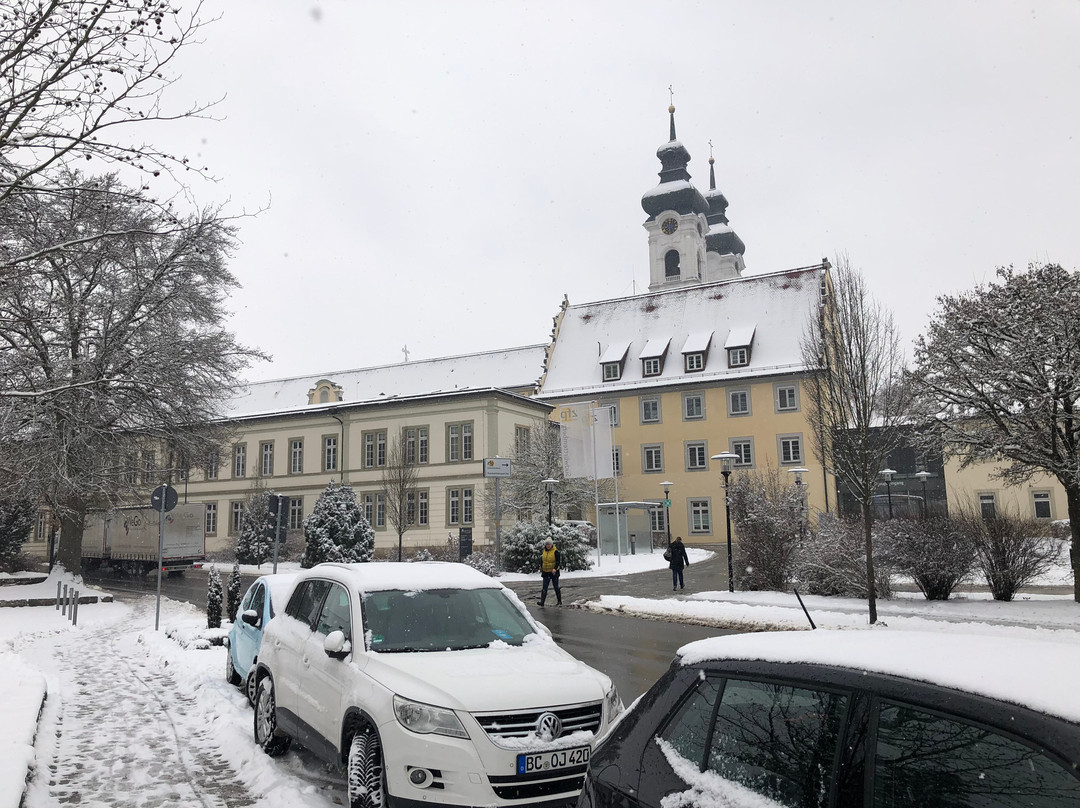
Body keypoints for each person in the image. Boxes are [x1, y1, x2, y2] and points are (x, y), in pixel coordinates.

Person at [539, 538, 562, 607]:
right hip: (545, 572)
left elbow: (558, 561)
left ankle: (559, 601)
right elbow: (542, 560)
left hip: (553, 572)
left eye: (549, 544)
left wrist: (555, 568)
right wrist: (541, 566)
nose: (548, 546)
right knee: (544, 587)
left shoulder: (555, 551)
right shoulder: (544, 551)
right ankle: (542, 602)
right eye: (546, 544)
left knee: (556, 587)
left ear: (551, 545)